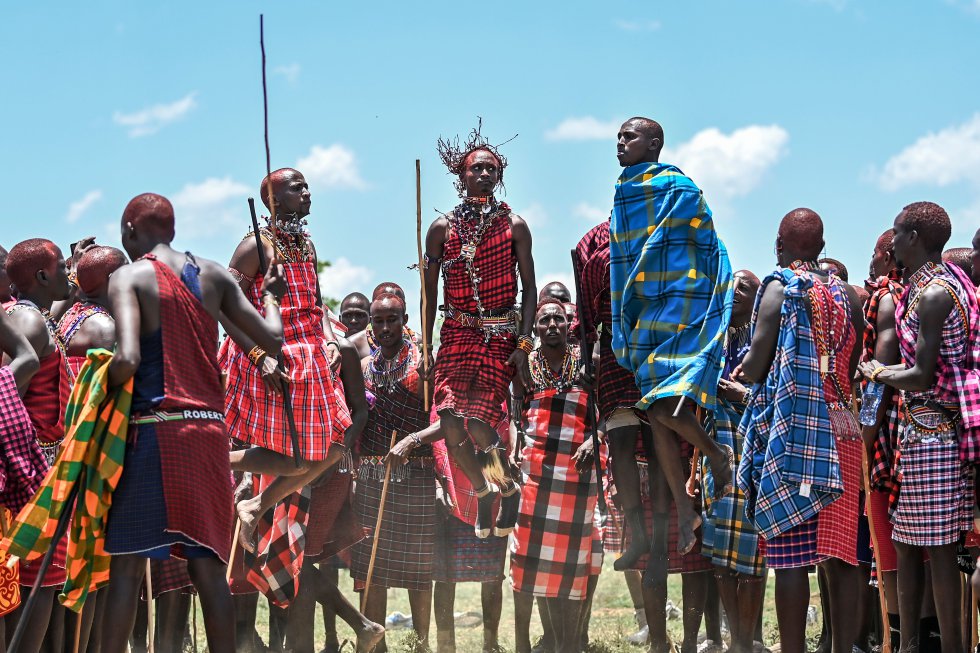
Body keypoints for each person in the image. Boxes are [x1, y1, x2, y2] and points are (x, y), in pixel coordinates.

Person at [100, 192, 286, 653]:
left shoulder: (128, 276)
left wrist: (94, 393)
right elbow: (274, 338)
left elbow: (125, 358)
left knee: (126, 563)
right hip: (208, 436)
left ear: (128, 231)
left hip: (156, 432)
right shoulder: (215, 274)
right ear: (173, 230)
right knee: (207, 564)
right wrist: (271, 297)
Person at [737, 209, 865, 653]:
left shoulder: (779, 285)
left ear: (779, 244)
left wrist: (735, 378)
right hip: (843, 426)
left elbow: (755, 363)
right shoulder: (849, 294)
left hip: (794, 429)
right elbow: (850, 365)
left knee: (790, 555)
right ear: (822, 248)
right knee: (841, 555)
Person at [609, 117, 734, 558]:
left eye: (630, 136)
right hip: (644, 312)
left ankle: (715, 453)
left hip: (682, 306)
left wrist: (708, 297)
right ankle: (687, 508)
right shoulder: (624, 193)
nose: (621, 143)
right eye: (619, 137)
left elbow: (708, 244)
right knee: (657, 411)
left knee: (668, 404)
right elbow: (624, 258)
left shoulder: (681, 189)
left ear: (655, 143)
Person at [858, 202, 980, 652]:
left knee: (941, 553)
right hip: (927, 432)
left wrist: (876, 371)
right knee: (910, 545)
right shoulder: (943, 285)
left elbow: (921, 374)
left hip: (934, 435)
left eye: (897, 232)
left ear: (915, 237)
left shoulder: (934, 293)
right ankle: (909, 644)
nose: (891, 242)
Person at [220, 168, 352, 561]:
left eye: (307, 186)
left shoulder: (306, 246)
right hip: (274, 358)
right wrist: (260, 356)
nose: (307, 193)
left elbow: (316, 301)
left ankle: (255, 504)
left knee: (334, 447)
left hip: (311, 357)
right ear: (274, 200)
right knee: (299, 458)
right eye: (298, 188)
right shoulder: (254, 246)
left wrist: (329, 338)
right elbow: (226, 308)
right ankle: (216, 459)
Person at [421, 125, 535, 539]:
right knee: (451, 421)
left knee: (483, 425)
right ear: (461, 175)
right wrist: (426, 347)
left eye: (491, 169)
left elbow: (531, 289)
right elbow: (429, 295)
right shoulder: (442, 228)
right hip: (455, 334)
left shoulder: (514, 225)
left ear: (498, 175)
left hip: (499, 335)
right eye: (477, 169)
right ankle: (489, 489)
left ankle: (506, 487)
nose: (485, 175)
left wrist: (523, 344)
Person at [510, 298, 601, 653]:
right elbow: (517, 414)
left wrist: (594, 439)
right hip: (537, 473)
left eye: (558, 320)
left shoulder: (587, 360)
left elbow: (604, 409)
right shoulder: (524, 365)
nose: (551, 325)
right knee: (534, 560)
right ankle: (542, 642)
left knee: (574, 561)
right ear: (535, 328)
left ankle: (569, 643)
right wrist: (518, 451)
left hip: (578, 472)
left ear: (569, 324)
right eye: (544, 319)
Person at [350, 292, 437, 652]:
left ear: (405, 320)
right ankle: (375, 647)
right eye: (379, 321)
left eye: (392, 320)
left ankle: (421, 644)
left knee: (419, 571)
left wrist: (412, 441)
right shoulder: (362, 366)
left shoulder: (423, 364)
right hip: (371, 479)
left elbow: (446, 420)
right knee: (371, 572)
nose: (385, 328)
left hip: (416, 477)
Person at [2, 238, 73, 653]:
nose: (69, 274)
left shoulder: (24, 317)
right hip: (32, 472)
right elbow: (9, 398)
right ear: (43, 276)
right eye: (63, 267)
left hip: (32, 467)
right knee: (39, 583)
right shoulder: (28, 321)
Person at [699, 269, 766, 653]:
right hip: (718, 447)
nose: (736, 292)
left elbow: (776, 389)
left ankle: (748, 637)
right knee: (721, 545)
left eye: (746, 287)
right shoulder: (714, 336)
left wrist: (744, 395)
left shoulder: (767, 336)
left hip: (755, 443)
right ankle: (736, 640)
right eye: (732, 285)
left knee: (753, 550)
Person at [859, 229, 903, 643]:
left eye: (874, 254)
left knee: (893, 555)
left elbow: (878, 379)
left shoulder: (887, 297)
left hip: (888, 440)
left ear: (889, 257)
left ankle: (899, 640)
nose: (869, 263)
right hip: (907, 431)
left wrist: (865, 440)